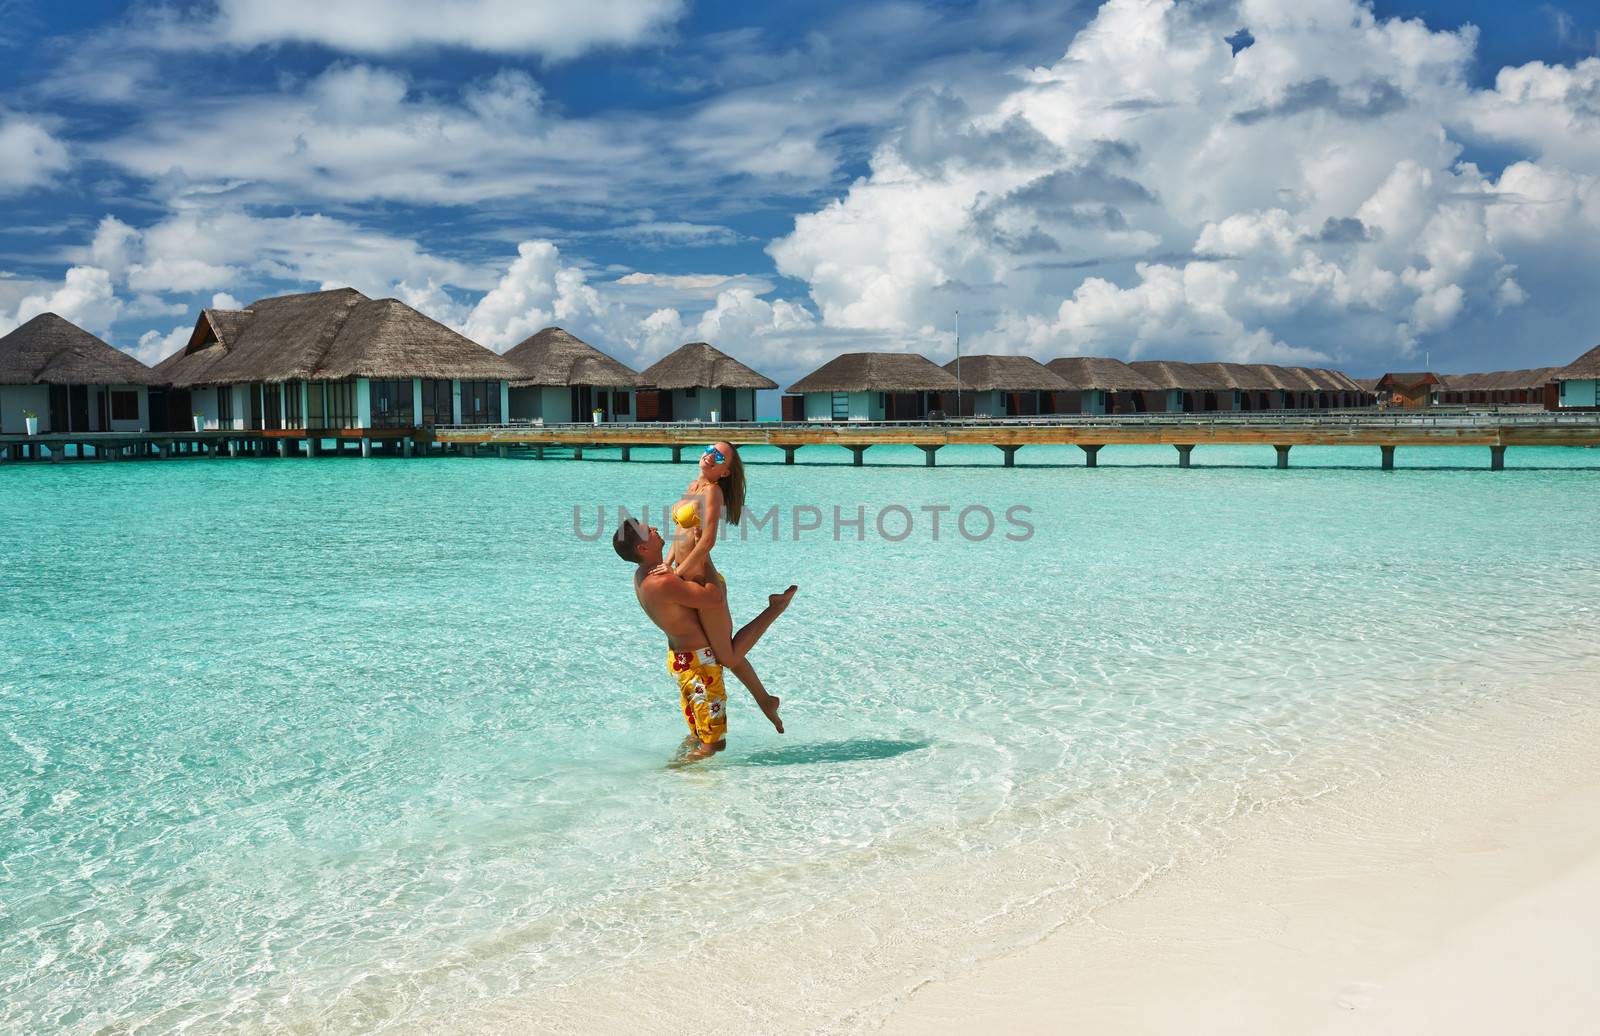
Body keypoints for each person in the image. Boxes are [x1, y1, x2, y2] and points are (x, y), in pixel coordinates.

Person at [614, 518, 796, 760]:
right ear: (642, 548)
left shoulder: (642, 575)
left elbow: (672, 555)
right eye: (649, 531)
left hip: (684, 662)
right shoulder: (662, 581)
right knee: (711, 746)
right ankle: (672, 776)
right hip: (701, 668)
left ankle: (676, 771)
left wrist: (674, 558)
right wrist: (705, 556)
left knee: (698, 735)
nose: (655, 529)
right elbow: (714, 598)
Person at [665, 442, 785, 733]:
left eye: (718, 456)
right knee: (724, 651)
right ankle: (766, 700)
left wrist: (679, 574)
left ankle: (776, 608)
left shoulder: (712, 492)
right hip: (686, 580)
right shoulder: (694, 485)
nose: (709, 455)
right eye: (709, 449)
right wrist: (666, 565)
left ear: (725, 471)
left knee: (726, 655)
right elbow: (679, 534)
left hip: (704, 584)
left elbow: (707, 541)